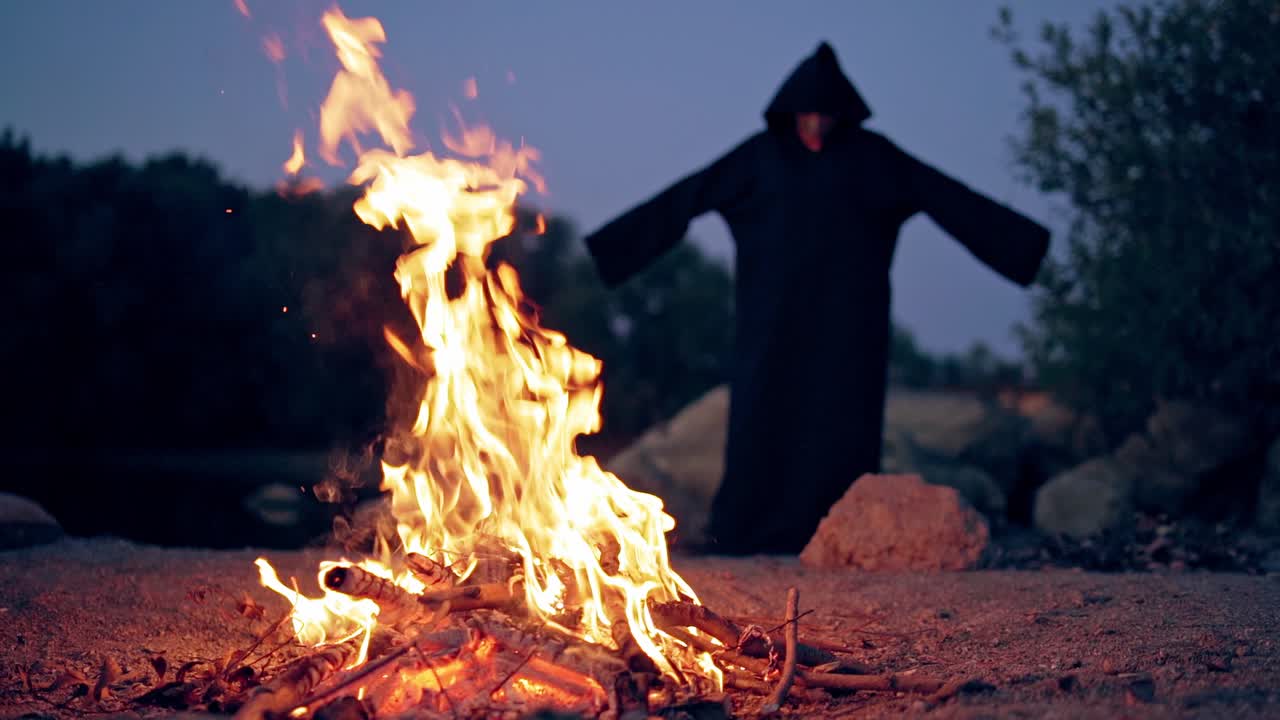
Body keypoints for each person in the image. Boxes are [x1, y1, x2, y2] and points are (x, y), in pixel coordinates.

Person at [583, 42, 1050, 555]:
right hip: (771, 320)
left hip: (850, 326)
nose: (816, 125)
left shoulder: (874, 159)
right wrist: (614, 250)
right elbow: (687, 197)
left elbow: (948, 199)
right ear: (790, 112)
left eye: (826, 115)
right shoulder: (760, 159)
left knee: (840, 428)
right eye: (808, 114)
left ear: (843, 114)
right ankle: (745, 534)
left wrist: (1022, 248)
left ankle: (838, 536)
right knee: (762, 418)